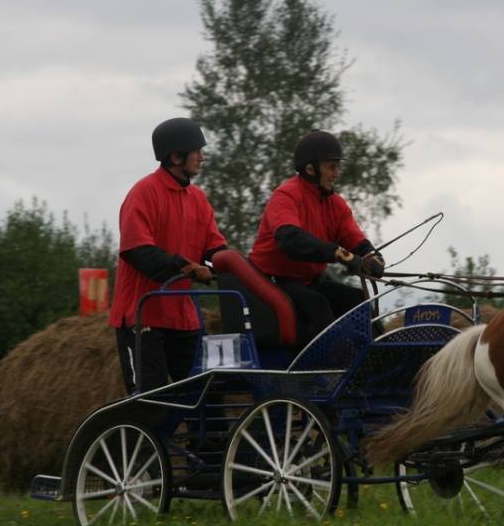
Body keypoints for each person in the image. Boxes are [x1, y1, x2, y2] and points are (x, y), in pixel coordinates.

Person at [109, 117, 227, 394]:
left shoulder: (198, 199)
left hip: (183, 316)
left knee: (206, 397)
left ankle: (209, 440)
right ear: (175, 156)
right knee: (152, 400)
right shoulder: (143, 194)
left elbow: (216, 248)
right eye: (196, 151)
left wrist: (238, 266)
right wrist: (189, 267)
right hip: (142, 317)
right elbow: (139, 253)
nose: (202, 157)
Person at [248, 129, 385, 340]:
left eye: (338, 167)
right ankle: (332, 368)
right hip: (275, 281)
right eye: (332, 167)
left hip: (310, 280)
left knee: (358, 299)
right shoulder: (285, 195)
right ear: (310, 169)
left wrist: (371, 256)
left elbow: (353, 238)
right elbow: (291, 239)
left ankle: (379, 355)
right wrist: (339, 254)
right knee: (318, 304)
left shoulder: (336, 204)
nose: (336, 173)